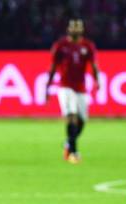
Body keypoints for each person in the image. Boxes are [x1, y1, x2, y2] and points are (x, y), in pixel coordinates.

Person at [45, 19, 100, 165]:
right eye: (73, 26)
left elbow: (93, 65)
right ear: (68, 28)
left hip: (81, 88)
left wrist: (97, 80)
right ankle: (74, 153)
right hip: (65, 87)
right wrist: (47, 86)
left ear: (82, 29)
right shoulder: (61, 46)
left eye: (78, 27)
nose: (75, 29)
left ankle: (68, 143)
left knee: (82, 121)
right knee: (72, 117)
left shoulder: (87, 46)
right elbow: (53, 66)